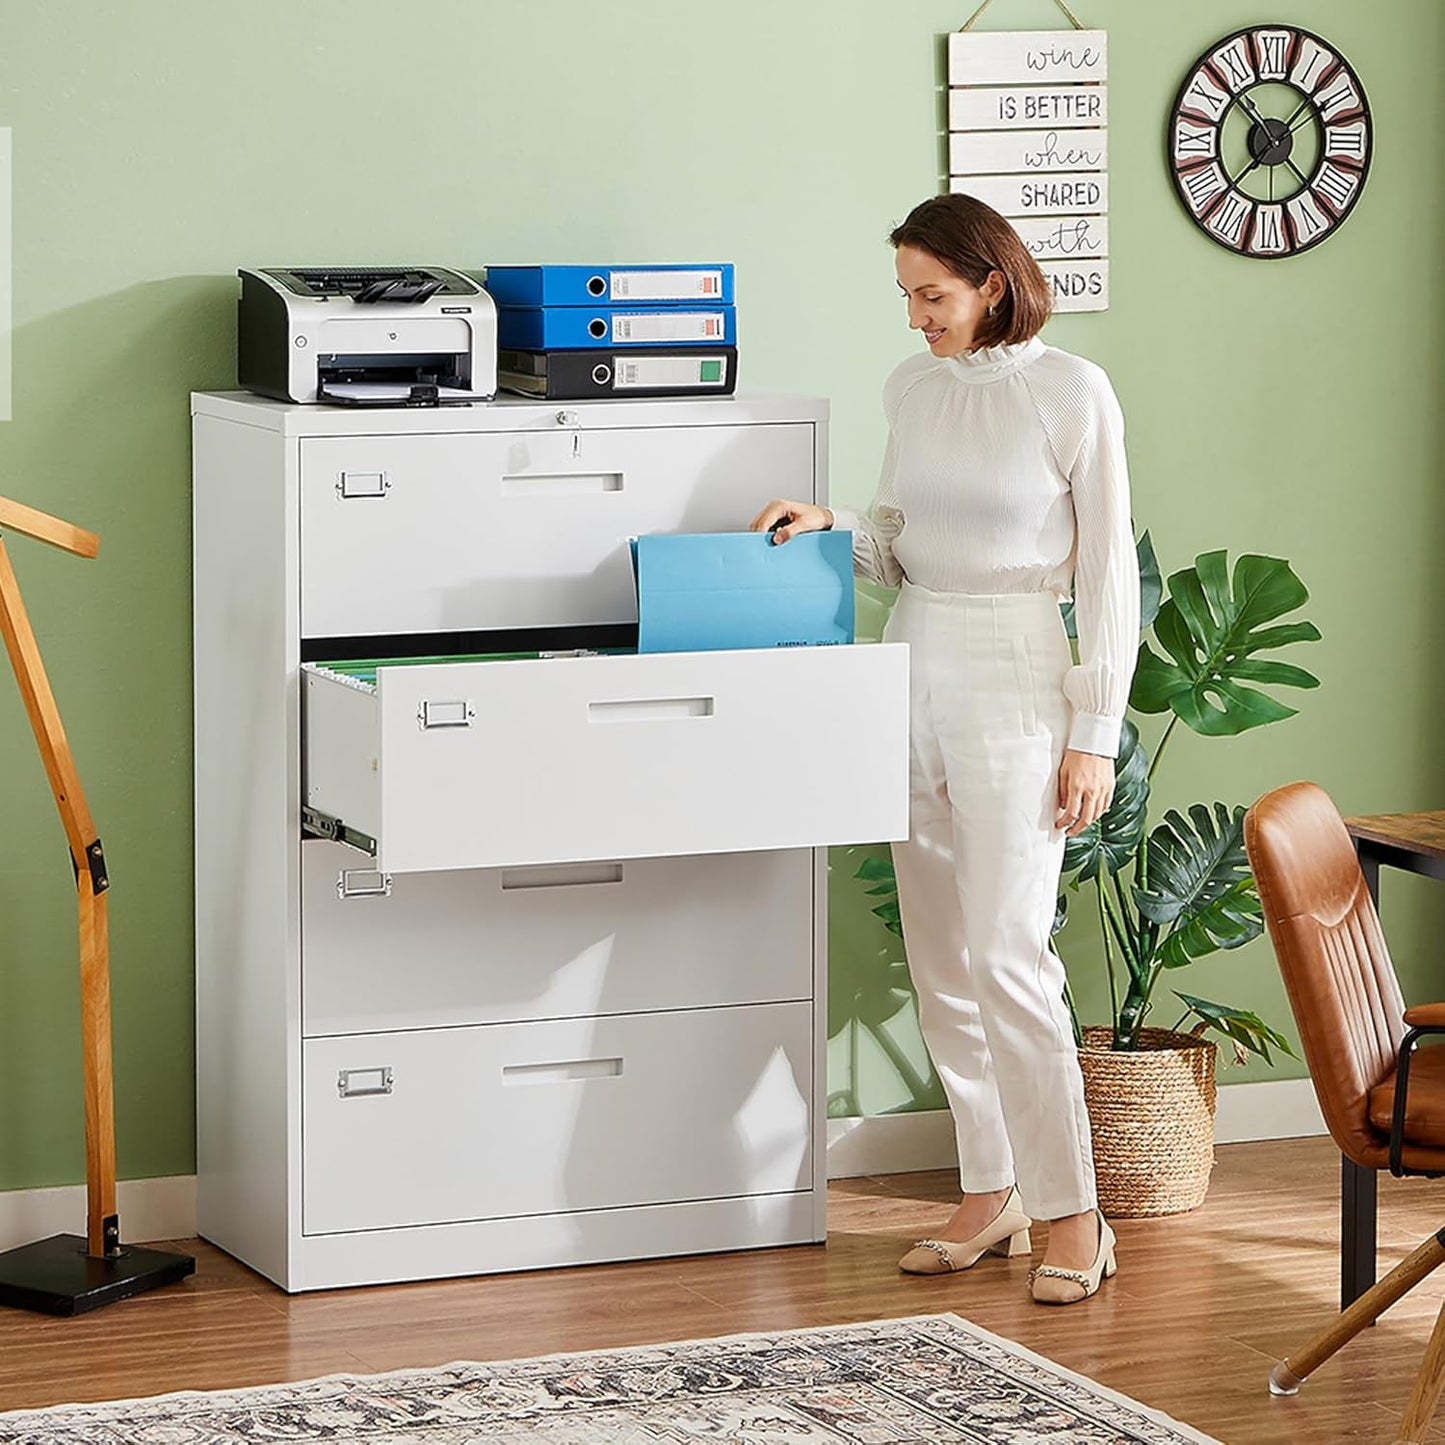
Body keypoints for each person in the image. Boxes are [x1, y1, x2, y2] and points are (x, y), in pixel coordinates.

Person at [750, 192, 1137, 1306]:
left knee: (1010, 952)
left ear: (991, 285)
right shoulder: (910, 389)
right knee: (938, 949)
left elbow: (1108, 572)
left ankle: (1074, 1211)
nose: (915, 318)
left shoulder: (1070, 392)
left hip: (1017, 675)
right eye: (905, 296)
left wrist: (1093, 732)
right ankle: (989, 1183)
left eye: (931, 295)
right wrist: (833, 526)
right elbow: (899, 540)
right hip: (907, 661)